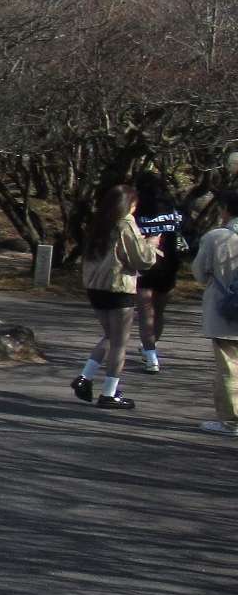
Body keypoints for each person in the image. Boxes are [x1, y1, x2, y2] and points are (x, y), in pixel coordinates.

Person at [72, 183, 161, 410]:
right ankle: (109, 392)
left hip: (95, 287)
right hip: (118, 287)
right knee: (119, 342)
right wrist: (152, 243)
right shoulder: (125, 224)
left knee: (109, 336)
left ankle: (85, 377)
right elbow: (142, 259)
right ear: (128, 204)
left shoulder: (98, 223)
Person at [191, 186, 238, 437]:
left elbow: (198, 273)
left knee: (229, 367)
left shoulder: (216, 237)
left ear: (226, 210)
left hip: (225, 311)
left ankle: (231, 421)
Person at [131, 171, 188, 373]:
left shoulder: (136, 212)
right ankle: (151, 347)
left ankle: (151, 355)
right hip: (170, 265)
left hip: (145, 264)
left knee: (146, 312)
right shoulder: (173, 209)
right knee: (159, 311)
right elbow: (184, 229)